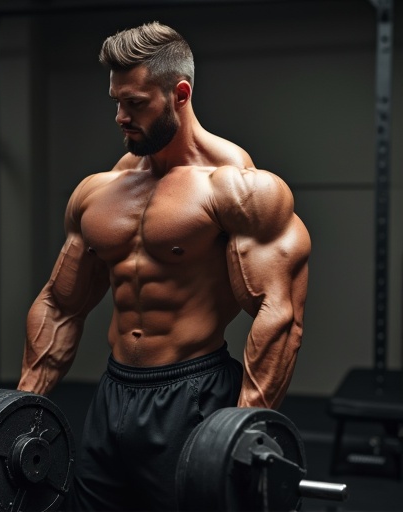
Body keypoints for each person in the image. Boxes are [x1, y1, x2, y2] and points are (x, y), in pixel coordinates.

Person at [17, 21, 311, 511]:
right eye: (116, 101)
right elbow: (60, 303)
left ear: (179, 93)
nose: (119, 117)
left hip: (193, 395)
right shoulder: (99, 193)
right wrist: (24, 412)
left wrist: (241, 430)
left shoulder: (237, 188)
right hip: (111, 395)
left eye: (135, 103)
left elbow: (279, 317)